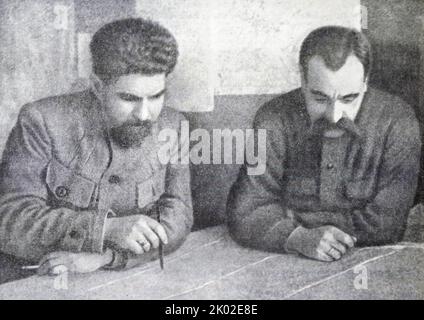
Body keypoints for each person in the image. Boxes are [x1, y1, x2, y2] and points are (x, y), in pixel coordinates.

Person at [0, 18, 193, 275]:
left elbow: (177, 218)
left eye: (156, 96)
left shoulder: (174, 126)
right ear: (97, 86)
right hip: (40, 275)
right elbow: (10, 219)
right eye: (128, 98)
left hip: (126, 273)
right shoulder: (42, 120)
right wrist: (105, 229)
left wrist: (109, 257)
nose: (145, 114)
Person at [227, 26, 421, 262]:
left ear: (365, 81)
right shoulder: (272, 119)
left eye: (349, 99)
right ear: (302, 78)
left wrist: (292, 220)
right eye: (320, 98)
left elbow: (387, 224)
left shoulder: (398, 121)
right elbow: (245, 212)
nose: (334, 115)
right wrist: (296, 237)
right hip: (287, 259)